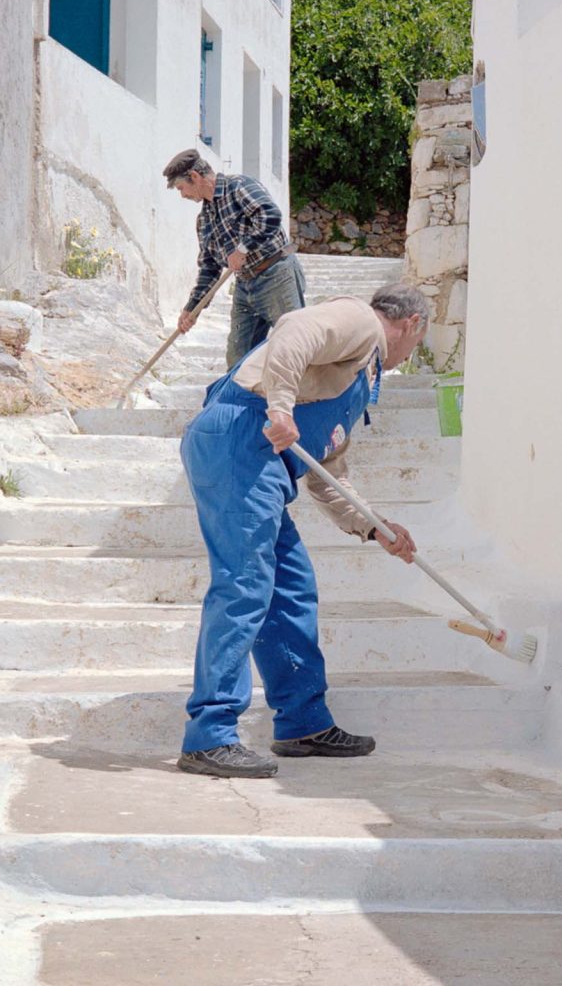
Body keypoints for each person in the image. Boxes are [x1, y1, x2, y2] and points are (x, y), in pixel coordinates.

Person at [176, 283, 431, 778]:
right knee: (245, 585)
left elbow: (328, 470)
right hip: (242, 437)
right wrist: (280, 408)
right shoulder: (360, 323)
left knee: (291, 588)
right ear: (411, 325)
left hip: (261, 454)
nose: (410, 352)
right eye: (416, 343)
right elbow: (293, 329)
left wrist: (375, 527)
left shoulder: (359, 377)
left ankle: (302, 723)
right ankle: (209, 734)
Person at [163, 148, 306, 367]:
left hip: (276, 275)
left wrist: (243, 248)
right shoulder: (204, 219)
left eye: (181, 188)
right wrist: (192, 308)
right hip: (245, 286)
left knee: (294, 346)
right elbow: (209, 268)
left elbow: (270, 215)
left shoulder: (239, 186)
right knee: (238, 358)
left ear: (194, 177)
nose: (183, 195)